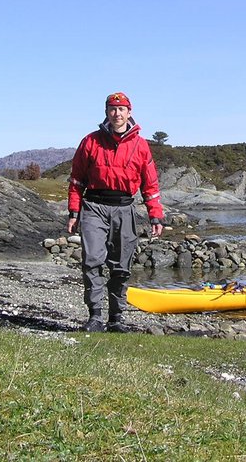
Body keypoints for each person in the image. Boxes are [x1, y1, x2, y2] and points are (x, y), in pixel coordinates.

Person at [67, 91, 164, 332]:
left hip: (125, 208)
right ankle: (95, 317)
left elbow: (150, 185)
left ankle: (116, 319)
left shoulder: (141, 146)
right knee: (92, 261)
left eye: (121, 109)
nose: (117, 113)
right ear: (106, 113)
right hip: (94, 207)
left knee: (121, 267)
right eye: (112, 109)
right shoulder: (90, 141)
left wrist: (155, 215)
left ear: (129, 112)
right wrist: (73, 212)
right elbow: (77, 180)